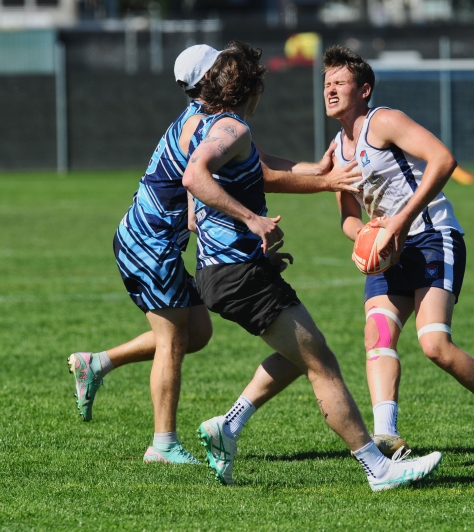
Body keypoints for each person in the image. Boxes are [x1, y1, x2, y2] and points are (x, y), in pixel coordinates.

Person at [66, 45, 361, 465]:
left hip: (154, 238)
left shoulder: (208, 119)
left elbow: (254, 165)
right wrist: (324, 183)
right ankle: (163, 445)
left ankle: (97, 363)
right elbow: (251, 175)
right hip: (149, 240)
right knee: (173, 338)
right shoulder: (209, 125)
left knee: (198, 333)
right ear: (211, 77)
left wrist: (317, 169)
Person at [182, 40, 443, 491]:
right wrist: (253, 221)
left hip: (221, 270)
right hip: (236, 272)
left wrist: (313, 180)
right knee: (323, 363)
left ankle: (229, 425)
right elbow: (197, 177)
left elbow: (216, 197)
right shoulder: (231, 128)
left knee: (299, 353)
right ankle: (378, 469)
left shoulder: (200, 126)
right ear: (252, 88)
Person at [322, 45, 474, 468]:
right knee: (378, 335)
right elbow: (349, 217)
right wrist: (366, 237)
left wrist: (400, 221)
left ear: (364, 90)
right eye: (326, 83)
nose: (330, 90)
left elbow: (444, 159)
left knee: (435, 345)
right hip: (391, 249)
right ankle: (387, 436)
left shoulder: (383, 121)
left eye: (340, 82)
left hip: (432, 236)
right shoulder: (336, 150)